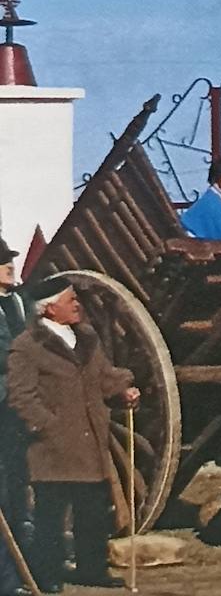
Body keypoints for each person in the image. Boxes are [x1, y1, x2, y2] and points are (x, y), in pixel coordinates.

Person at [7, 275, 139, 592]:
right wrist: (47, 426)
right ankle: (48, 576)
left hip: (89, 443)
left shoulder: (87, 339)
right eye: (70, 301)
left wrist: (123, 392)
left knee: (92, 513)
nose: (77, 304)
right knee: (50, 518)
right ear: (50, 309)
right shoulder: (28, 346)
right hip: (51, 449)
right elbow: (21, 396)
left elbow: (104, 378)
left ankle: (92, 569)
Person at [0, 239, 30, 596]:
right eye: (4, 262)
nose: (10, 265)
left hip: (15, 410)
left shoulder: (18, 304)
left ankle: (15, 577)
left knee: (15, 491)